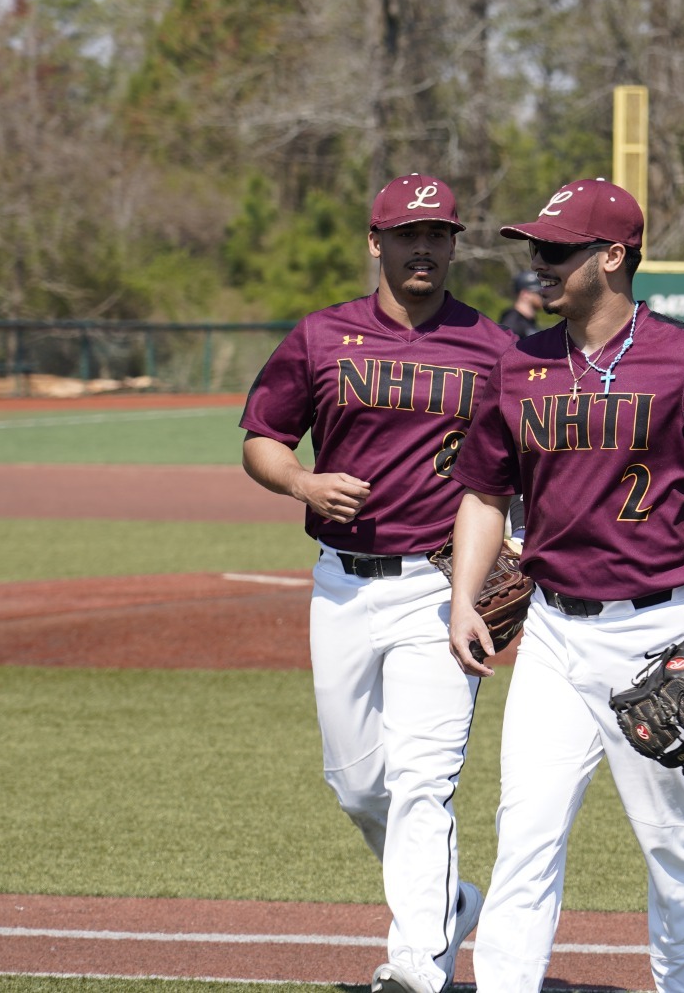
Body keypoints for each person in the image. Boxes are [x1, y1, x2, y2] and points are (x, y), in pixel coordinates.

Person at [443, 177, 684, 993]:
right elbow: (485, 492)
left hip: (660, 632)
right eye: (534, 249)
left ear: (614, 256)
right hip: (555, 635)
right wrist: (461, 594)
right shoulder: (519, 365)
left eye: (557, 251)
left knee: (673, 849)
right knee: (524, 835)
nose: (538, 264)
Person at [237, 174, 512, 993]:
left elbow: (524, 466)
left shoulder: (493, 346)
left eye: (439, 233)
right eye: (407, 233)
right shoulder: (321, 338)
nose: (424, 247)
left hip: (440, 584)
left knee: (425, 778)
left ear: (455, 243)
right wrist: (304, 486)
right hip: (343, 585)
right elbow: (262, 437)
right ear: (375, 242)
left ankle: (418, 962)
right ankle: (449, 902)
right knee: (359, 783)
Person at [498, 270, 546, 338]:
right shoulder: (512, 322)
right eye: (539, 293)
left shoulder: (528, 320)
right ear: (525, 294)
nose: (544, 296)